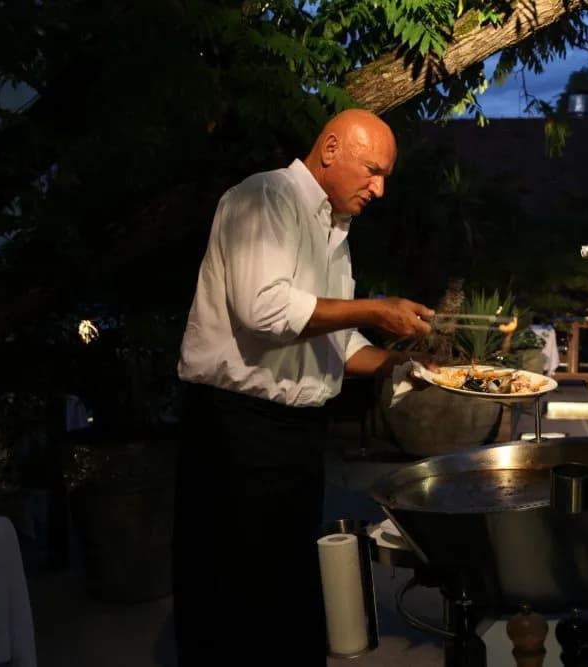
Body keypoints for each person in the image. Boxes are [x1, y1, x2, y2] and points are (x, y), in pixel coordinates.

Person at [174, 109, 435, 666]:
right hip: (237, 429)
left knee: (287, 587)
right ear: (331, 148)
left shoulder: (335, 231)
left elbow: (338, 345)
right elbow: (265, 309)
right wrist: (375, 307)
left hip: (295, 435)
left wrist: (406, 366)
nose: (379, 188)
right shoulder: (266, 197)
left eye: (385, 176)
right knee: (233, 590)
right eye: (372, 170)